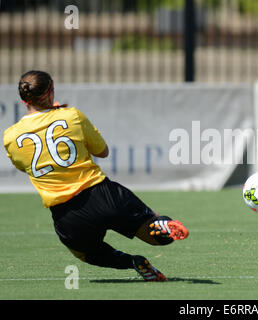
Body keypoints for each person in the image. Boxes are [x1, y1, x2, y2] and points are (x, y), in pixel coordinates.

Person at [3, 70, 189, 282]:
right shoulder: (71, 116)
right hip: (101, 194)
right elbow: (103, 151)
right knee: (157, 236)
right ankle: (161, 225)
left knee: (86, 254)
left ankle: (133, 262)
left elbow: (23, 167)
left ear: (23, 99)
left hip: (66, 214)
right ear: (51, 92)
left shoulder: (10, 136)